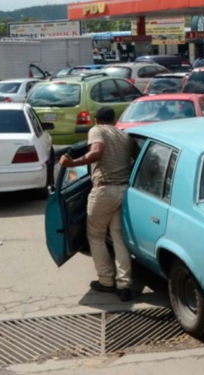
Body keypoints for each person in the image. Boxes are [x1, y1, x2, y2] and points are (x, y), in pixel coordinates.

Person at [59, 106, 138, 302]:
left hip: (104, 190)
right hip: (124, 190)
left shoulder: (97, 131)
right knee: (119, 237)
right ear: (114, 120)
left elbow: (97, 151)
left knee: (95, 234)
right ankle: (124, 284)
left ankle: (106, 281)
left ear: (96, 120)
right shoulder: (124, 135)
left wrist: (72, 163)